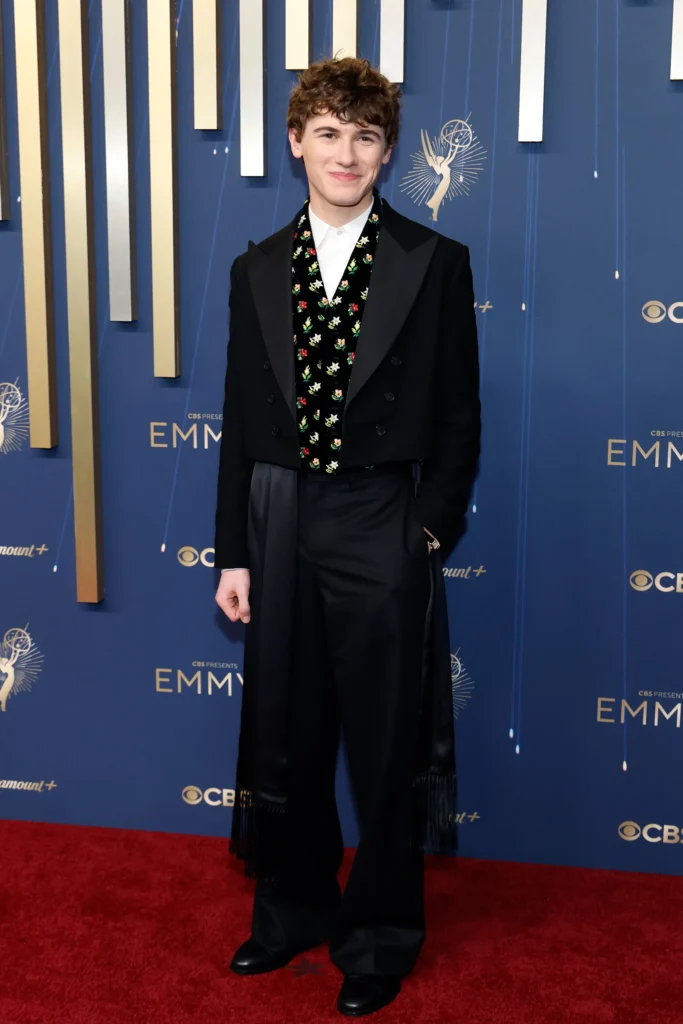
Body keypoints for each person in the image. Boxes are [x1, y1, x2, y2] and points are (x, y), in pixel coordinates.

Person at [214, 56, 480, 1017]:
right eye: (327, 132)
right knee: (286, 733)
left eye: (365, 136)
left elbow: (458, 415)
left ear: (386, 152)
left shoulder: (433, 261)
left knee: (382, 741)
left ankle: (378, 936)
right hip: (279, 512)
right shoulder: (254, 268)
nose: (346, 152)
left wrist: (427, 528)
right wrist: (233, 550)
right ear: (296, 142)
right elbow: (241, 421)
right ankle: (292, 911)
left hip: (381, 519)